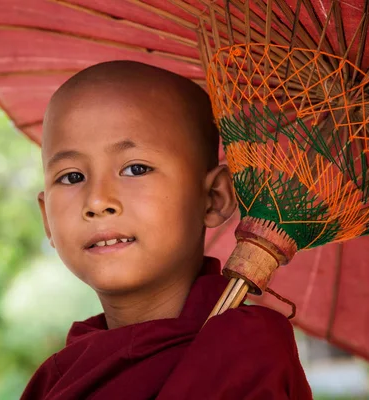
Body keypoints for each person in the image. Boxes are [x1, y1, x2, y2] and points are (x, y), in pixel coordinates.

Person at [21, 61, 312, 399]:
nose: (98, 201)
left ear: (213, 198)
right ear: (46, 219)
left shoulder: (248, 349)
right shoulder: (56, 379)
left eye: (135, 169)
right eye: (72, 177)